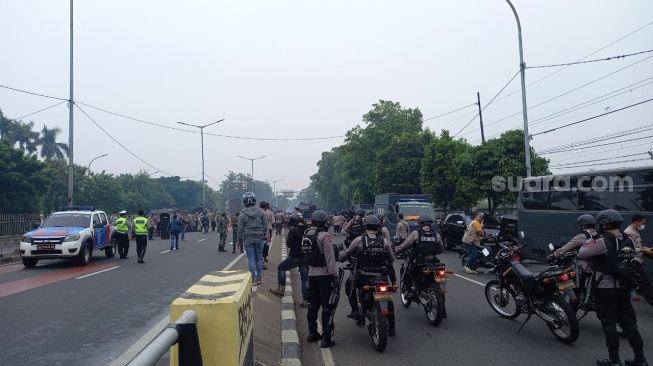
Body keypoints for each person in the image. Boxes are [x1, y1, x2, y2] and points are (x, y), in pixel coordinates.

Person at [577, 209, 647, 366]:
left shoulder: (601, 242)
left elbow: (582, 253)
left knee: (608, 323)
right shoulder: (627, 240)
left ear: (602, 224)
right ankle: (640, 358)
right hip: (624, 288)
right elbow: (625, 261)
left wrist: (592, 238)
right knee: (629, 323)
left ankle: (614, 360)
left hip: (605, 289)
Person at [339, 214, 396, 336]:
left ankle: (355, 311)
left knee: (349, 287)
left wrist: (340, 256)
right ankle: (392, 327)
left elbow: (346, 254)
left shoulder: (359, 240)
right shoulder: (385, 242)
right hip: (380, 277)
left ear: (365, 227)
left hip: (363, 276)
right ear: (377, 227)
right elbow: (391, 260)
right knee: (388, 299)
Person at [395, 215, 445, 316]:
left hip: (419, 263)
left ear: (420, 224)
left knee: (408, 271)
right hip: (433, 263)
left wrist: (397, 249)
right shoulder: (436, 235)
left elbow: (405, 245)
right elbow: (441, 249)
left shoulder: (416, 233)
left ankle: (409, 291)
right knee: (442, 282)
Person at [304, 210, 338, 348]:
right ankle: (326, 338)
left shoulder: (307, 234)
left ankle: (312, 333)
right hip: (324, 276)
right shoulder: (325, 236)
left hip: (311, 275)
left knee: (312, 305)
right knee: (327, 306)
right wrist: (334, 276)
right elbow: (330, 258)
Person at [270, 214, 309, 307]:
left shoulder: (294, 230)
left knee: (281, 267)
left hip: (295, 256)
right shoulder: (307, 230)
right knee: (305, 278)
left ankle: (281, 289)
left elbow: (289, 244)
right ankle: (306, 300)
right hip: (305, 258)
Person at [237, 193, 268, 284]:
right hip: (259, 237)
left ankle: (253, 278)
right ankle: (259, 278)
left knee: (251, 259)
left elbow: (240, 228)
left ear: (244, 201)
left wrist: (239, 240)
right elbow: (265, 225)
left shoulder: (242, 213)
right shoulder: (261, 211)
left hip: (248, 237)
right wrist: (263, 234)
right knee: (259, 258)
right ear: (254, 200)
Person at [625, 214, 652, 308]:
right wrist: (645, 250)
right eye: (642, 223)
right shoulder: (629, 233)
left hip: (637, 261)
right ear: (637, 222)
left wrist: (648, 249)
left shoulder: (635, 231)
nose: (643, 225)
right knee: (645, 284)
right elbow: (628, 249)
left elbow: (637, 246)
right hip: (633, 262)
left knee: (642, 284)